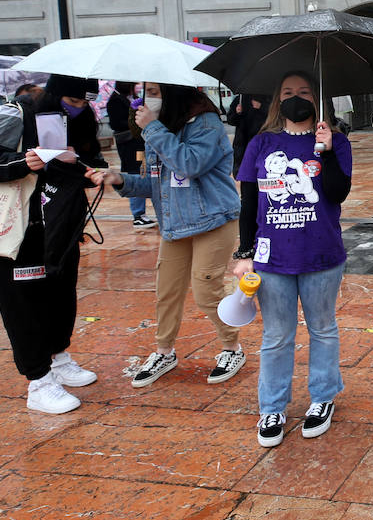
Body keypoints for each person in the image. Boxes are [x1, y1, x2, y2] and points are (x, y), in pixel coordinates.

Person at [0, 75, 106, 414]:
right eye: (73, 101)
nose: (79, 108)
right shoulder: (11, 114)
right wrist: (22, 163)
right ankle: (38, 380)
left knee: (61, 295)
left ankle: (58, 358)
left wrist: (82, 164)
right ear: (56, 94)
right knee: (24, 304)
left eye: (85, 102)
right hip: (17, 228)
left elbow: (89, 163)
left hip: (61, 225)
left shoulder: (80, 119)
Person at [88, 83, 245, 389]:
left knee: (206, 291)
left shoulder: (206, 123)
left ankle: (232, 348)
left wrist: (154, 129)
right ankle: (164, 351)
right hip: (175, 223)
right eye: (143, 91)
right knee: (167, 291)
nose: (148, 98)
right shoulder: (161, 128)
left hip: (214, 218)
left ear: (173, 92)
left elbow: (189, 164)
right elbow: (157, 183)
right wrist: (120, 179)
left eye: (155, 91)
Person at [234, 71, 352, 447]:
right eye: (288, 92)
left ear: (317, 99)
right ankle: (272, 406)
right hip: (273, 258)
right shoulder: (261, 143)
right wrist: (245, 251)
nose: (295, 98)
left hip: (322, 253)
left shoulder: (337, 142)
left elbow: (338, 192)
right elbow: (249, 201)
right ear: (277, 100)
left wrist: (328, 150)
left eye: (304, 92)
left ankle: (322, 397)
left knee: (322, 329)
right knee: (276, 336)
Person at [107, 81, 156, 229]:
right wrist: (135, 121)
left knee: (143, 172)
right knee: (137, 173)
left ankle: (140, 214)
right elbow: (116, 123)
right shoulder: (115, 100)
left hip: (138, 144)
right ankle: (138, 215)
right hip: (130, 146)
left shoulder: (129, 98)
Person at [225, 92, 270, 179]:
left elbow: (275, 117)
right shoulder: (240, 99)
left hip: (263, 143)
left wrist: (262, 107)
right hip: (243, 144)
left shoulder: (268, 99)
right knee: (245, 177)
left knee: (262, 174)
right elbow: (231, 120)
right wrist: (237, 113)